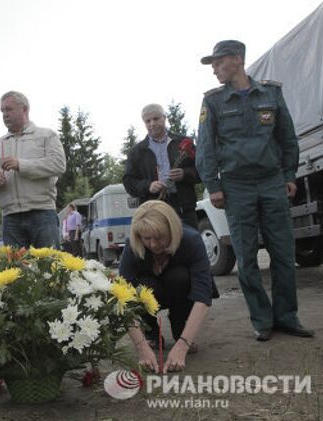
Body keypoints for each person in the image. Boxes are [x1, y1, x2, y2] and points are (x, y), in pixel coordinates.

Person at [196, 40, 314, 341]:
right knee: (246, 258)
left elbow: (288, 138)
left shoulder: (271, 93)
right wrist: (214, 185)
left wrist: (289, 174)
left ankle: (287, 317)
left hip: (272, 181)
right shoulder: (213, 101)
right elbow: (206, 148)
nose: (214, 70)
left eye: (218, 63)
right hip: (236, 187)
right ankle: (262, 320)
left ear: (237, 59)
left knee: (284, 253)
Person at [120, 201, 218, 373]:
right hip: (151, 293)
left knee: (179, 276)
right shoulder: (132, 247)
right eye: (147, 238)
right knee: (143, 287)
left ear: (172, 230)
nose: (154, 244)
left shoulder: (191, 240)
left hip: (179, 291)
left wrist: (183, 345)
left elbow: (203, 295)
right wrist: (141, 347)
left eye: (159, 237)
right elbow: (121, 300)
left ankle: (180, 329)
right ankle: (151, 333)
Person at [0, 91, 66, 248]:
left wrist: (21, 165)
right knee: (16, 271)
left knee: (49, 269)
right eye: (2, 111)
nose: (5, 115)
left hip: (42, 213)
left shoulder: (47, 135)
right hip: (10, 217)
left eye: (9, 109)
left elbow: (59, 164)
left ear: (25, 109)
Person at [123, 104, 199, 229]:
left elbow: (202, 170)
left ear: (164, 118)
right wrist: (149, 186)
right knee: (160, 248)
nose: (152, 123)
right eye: (148, 121)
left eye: (156, 119)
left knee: (190, 246)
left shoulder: (184, 142)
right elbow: (128, 182)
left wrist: (185, 174)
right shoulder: (136, 152)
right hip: (153, 211)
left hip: (184, 208)